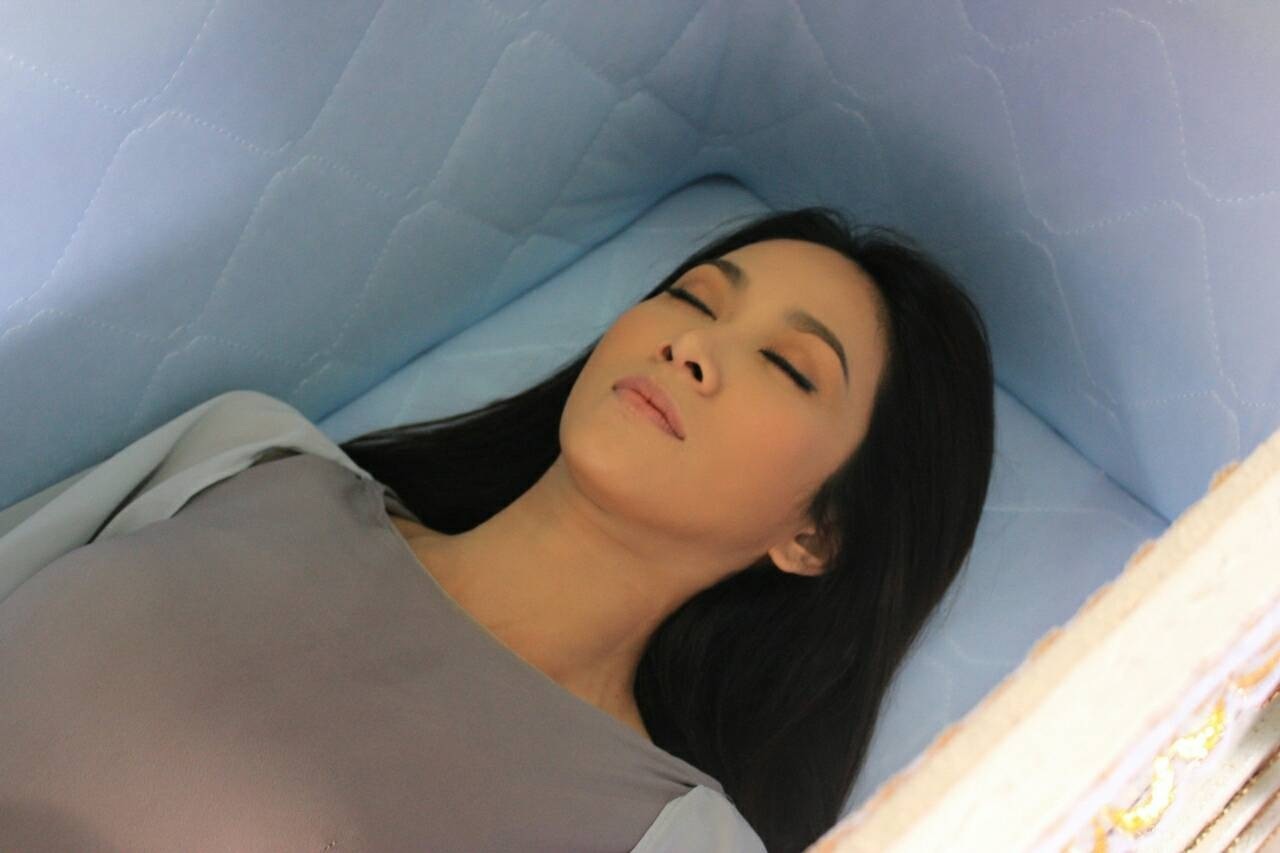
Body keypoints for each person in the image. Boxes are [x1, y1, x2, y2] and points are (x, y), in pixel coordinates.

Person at [340, 206, 996, 852]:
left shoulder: (680, 838)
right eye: (692, 299)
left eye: (786, 365)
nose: (690, 346)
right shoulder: (286, 460)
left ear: (815, 536)